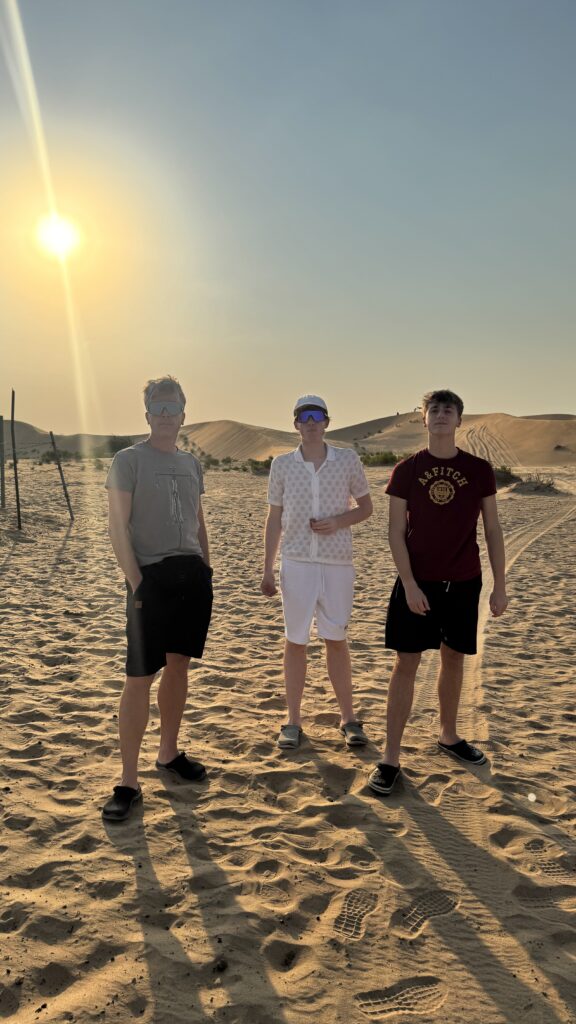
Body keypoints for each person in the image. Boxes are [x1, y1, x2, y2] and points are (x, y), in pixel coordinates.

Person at [369, 388, 508, 796]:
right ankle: (390, 758)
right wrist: (410, 584)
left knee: (454, 657)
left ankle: (448, 734)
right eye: (434, 409)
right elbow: (395, 531)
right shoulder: (407, 470)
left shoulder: (479, 470)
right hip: (418, 581)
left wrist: (500, 585)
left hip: (464, 581)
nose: (442, 415)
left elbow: (493, 529)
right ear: (424, 418)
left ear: (459, 420)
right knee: (406, 663)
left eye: (449, 410)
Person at [102, 376, 213, 821]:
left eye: (173, 408)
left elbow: (198, 520)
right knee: (139, 676)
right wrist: (136, 582)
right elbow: (117, 526)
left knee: (179, 665)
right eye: (158, 407)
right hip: (150, 578)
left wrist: (207, 567)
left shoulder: (191, 463)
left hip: (192, 576)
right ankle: (128, 780)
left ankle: (168, 752)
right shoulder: (128, 460)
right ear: (147, 413)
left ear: (184, 414)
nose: (166, 415)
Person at [261, 395, 373, 749]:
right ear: (296, 424)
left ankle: (348, 719)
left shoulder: (347, 459)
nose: (310, 423)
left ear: (326, 422)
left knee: (336, 639)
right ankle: (293, 721)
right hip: (295, 563)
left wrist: (338, 521)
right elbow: (274, 518)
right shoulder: (282, 464)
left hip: (338, 563)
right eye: (303, 417)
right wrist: (267, 568)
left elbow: (366, 507)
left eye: (316, 416)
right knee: (296, 641)